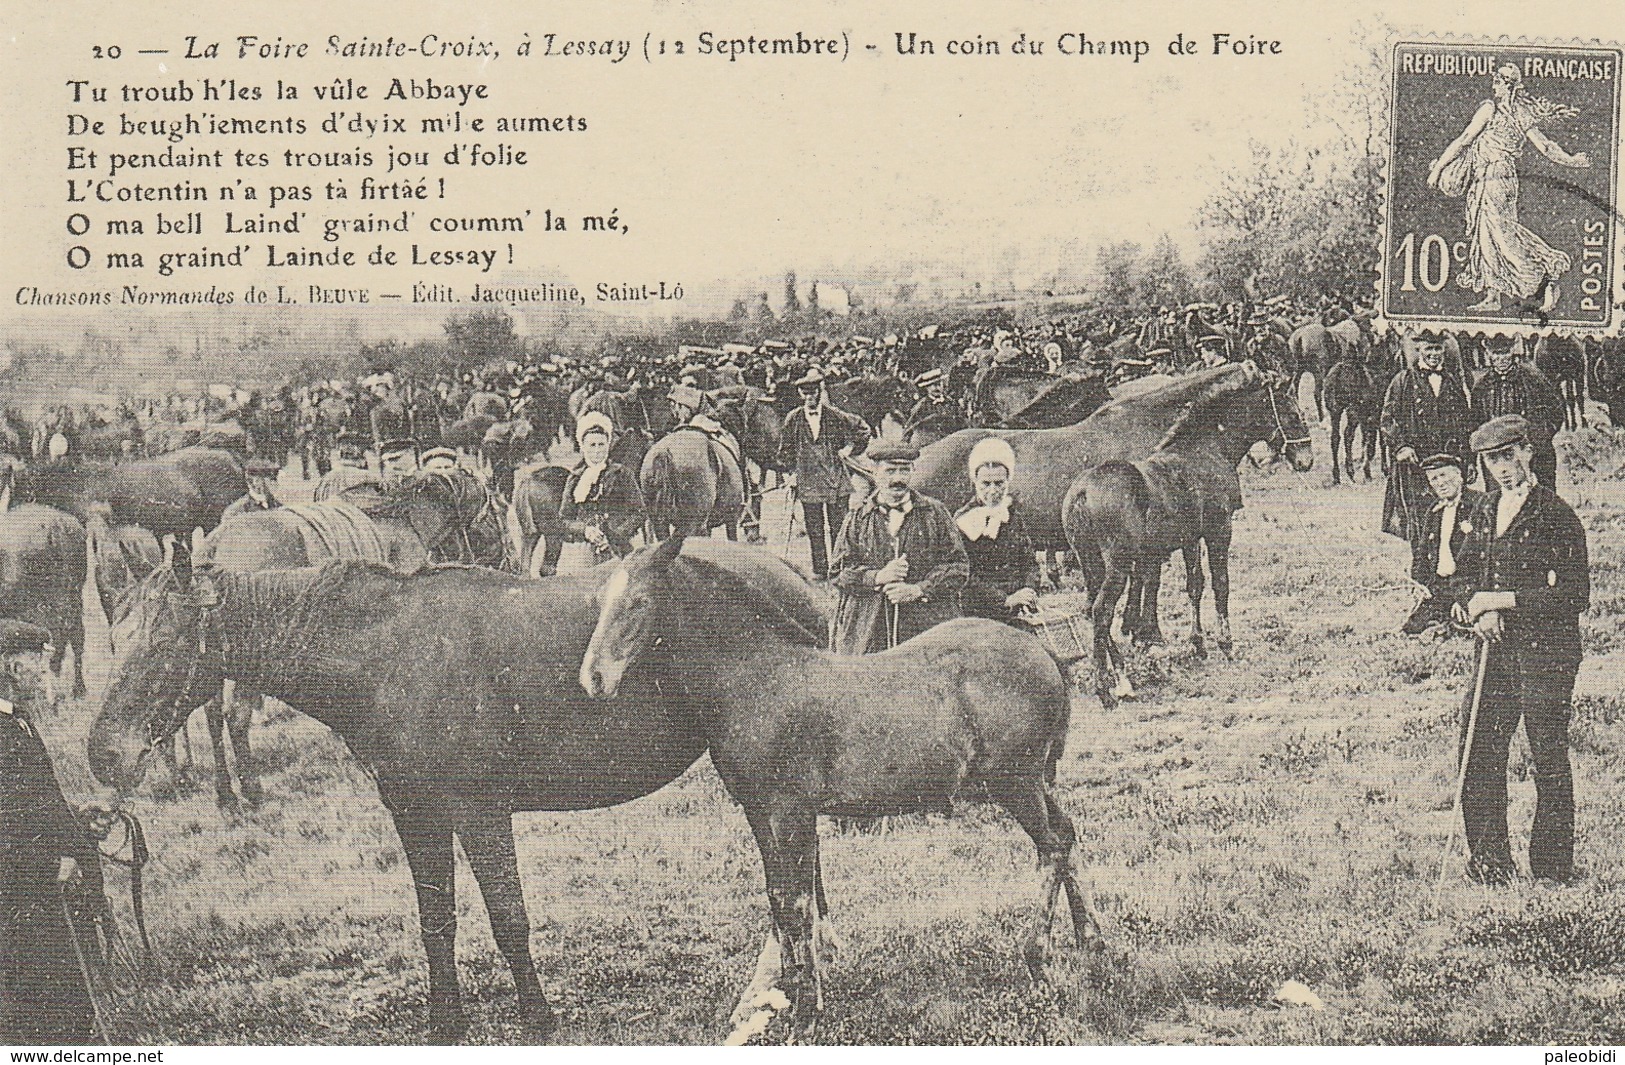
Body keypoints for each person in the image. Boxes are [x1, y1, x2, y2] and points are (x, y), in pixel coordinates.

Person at [1450, 414, 1589, 884]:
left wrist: (1505, 600)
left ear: (1529, 452)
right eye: (1493, 461)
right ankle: (1490, 863)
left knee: (1547, 752)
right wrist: (1476, 608)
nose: (1504, 469)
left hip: (1547, 651)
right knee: (1479, 748)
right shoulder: (1483, 511)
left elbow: (1575, 595)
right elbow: (1465, 577)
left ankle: (1552, 869)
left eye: (1510, 457)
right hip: (1496, 650)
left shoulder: (1556, 514)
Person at [2, 620, 102, 1045]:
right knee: (39, 1008)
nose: (46, 672)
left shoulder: (17, 722)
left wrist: (79, 822)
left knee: (66, 997)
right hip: (21, 898)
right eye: (39, 663)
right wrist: (47, 864)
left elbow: (37, 805)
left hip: (39, 893)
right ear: (11, 667)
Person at [1428, 64, 1593, 314]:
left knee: (1500, 236)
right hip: (1500, 178)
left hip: (1493, 178)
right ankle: (1493, 295)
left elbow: (1464, 139)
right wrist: (1571, 160)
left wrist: (1438, 168)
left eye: (1497, 81)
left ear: (1506, 85)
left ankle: (1542, 280)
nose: (1493, 85)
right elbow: (1546, 147)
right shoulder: (1521, 113)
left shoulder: (1490, 109)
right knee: (1490, 235)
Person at [830, 439, 967, 654]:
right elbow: (837, 572)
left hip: (925, 626)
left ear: (913, 471)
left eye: (904, 470)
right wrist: (877, 577)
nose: (897, 479)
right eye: (890, 471)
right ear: (874, 473)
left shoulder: (935, 513)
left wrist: (918, 590)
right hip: (870, 628)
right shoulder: (858, 518)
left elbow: (958, 566)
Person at [1381, 330, 1475, 544]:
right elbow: (1387, 419)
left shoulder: (1452, 381)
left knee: (1452, 518)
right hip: (1417, 464)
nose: (1434, 354)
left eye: (1438, 348)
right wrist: (1401, 446)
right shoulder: (1402, 381)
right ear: (1418, 350)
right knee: (1419, 522)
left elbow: (1465, 424)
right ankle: (1422, 570)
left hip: (1448, 461)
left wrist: (1468, 461)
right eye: (1429, 349)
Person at [777, 369, 871, 581]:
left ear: (820, 393)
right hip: (808, 482)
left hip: (835, 480)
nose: (810, 398)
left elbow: (863, 429)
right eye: (805, 394)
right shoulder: (793, 419)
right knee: (814, 528)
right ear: (801, 395)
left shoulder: (834, 415)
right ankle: (820, 569)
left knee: (839, 527)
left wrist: (850, 449)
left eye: (813, 393)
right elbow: (785, 451)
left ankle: (839, 568)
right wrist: (790, 474)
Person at [954, 437, 1039, 625]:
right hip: (980, 610)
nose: (993, 491)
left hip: (1018, 606)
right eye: (986, 484)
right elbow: (965, 575)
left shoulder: (1011, 514)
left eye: (999, 483)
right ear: (975, 481)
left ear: (1008, 481)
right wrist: (1004, 600)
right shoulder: (963, 520)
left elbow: (1030, 562)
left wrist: (1029, 591)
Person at [1402, 453, 1486, 635]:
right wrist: (1421, 584)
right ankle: (1443, 623)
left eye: (1444, 476)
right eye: (1433, 479)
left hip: (1468, 586)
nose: (1440, 483)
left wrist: (1465, 597)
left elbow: (1486, 558)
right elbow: (1421, 555)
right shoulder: (1434, 512)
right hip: (1440, 587)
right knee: (1412, 629)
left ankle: (1453, 623)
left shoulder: (1480, 505)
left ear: (1459, 476)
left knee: (1463, 625)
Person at [1470, 336, 1565, 493]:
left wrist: (1538, 438)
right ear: (1488, 354)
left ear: (1512, 351)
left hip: (1532, 454)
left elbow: (1555, 411)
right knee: (1500, 502)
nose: (1501, 359)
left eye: (1505, 353)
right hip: (1497, 456)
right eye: (1496, 354)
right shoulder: (1481, 386)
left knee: (1539, 498)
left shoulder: (1532, 378)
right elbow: (1475, 421)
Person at [558, 411, 644, 567]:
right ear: (583, 447)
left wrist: (615, 534)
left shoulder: (621, 473)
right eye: (592, 445)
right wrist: (585, 530)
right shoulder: (576, 478)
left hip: (620, 546)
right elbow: (564, 519)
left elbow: (639, 512)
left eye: (601, 444)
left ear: (608, 445)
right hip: (584, 549)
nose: (597, 450)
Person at [313, 430, 380, 503]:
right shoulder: (336, 457)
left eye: (351, 443)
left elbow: (373, 473)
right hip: (340, 483)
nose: (348, 446)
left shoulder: (363, 456)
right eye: (345, 444)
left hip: (354, 484)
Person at [220, 456, 284, 522]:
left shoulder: (278, 506)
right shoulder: (236, 512)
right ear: (255, 481)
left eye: (274, 477)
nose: (275, 482)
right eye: (270, 477)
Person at [905, 368, 965, 437]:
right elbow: (910, 429)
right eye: (933, 385)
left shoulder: (951, 403)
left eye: (939, 384)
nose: (937, 388)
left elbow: (962, 424)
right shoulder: (922, 406)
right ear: (926, 387)